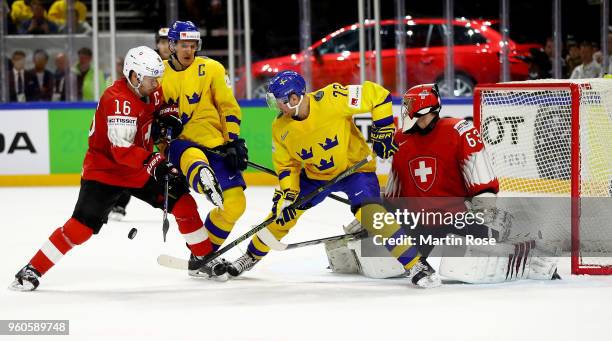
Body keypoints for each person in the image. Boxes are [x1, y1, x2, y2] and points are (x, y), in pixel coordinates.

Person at [9, 46, 227, 292]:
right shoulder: (117, 101)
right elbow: (121, 151)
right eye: (151, 78)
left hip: (138, 168)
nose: (156, 83)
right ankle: (32, 268)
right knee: (80, 228)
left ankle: (201, 259)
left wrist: (166, 116)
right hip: (106, 172)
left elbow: (161, 105)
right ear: (134, 76)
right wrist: (156, 164)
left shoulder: (150, 89)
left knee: (183, 203)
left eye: (157, 78)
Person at [227, 71, 439, 288]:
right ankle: (250, 256)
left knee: (372, 214)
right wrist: (289, 195)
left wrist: (383, 129)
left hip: (354, 171)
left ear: (294, 98)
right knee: (281, 215)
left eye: (278, 101)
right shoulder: (279, 128)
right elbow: (287, 165)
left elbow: (378, 95)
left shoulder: (333, 98)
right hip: (314, 176)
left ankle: (416, 264)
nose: (276, 107)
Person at [383, 83, 559, 284]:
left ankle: (536, 259)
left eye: (421, 117)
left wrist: (484, 209)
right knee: (389, 259)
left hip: (458, 216)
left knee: (494, 248)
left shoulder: (459, 131)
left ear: (430, 112)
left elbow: (481, 179)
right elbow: (395, 192)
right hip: (421, 222)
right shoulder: (400, 140)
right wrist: (374, 213)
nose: (416, 122)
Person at [160, 21, 248, 258]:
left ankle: (202, 255)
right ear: (172, 45)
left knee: (236, 203)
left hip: (215, 144)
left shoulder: (213, 69)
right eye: (183, 45)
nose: (189, 50)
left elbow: (228, 106)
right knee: (193, 157)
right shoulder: (158, 74)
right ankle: (202, 180)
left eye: (192, 45)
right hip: (178, 145)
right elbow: (150, 114)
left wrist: (233, 141)